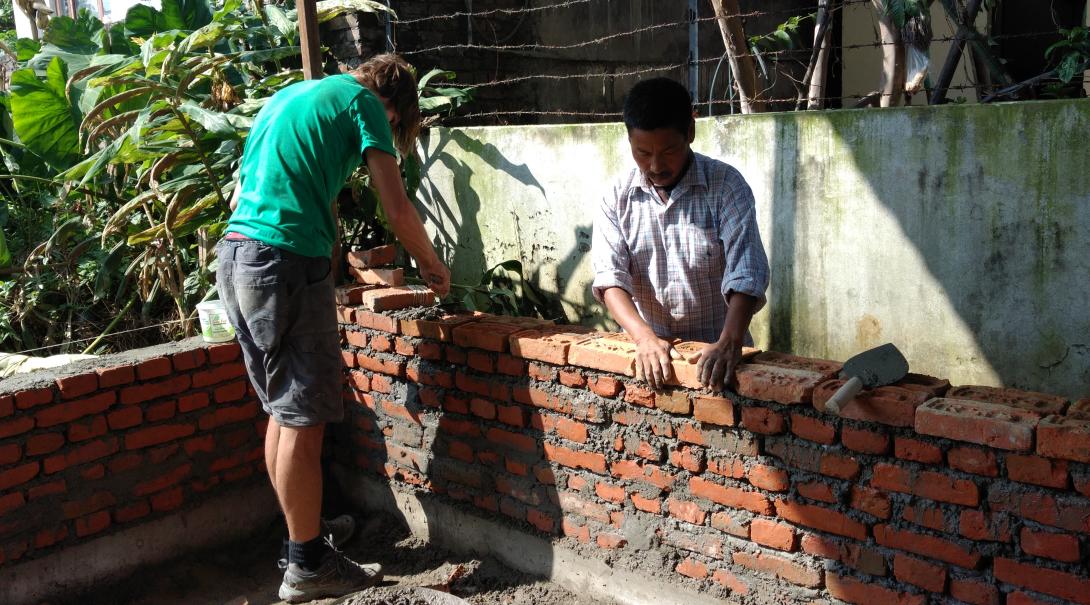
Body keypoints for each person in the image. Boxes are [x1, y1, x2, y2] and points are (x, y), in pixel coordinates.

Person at [215, 53, 451, 603]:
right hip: (285, 261)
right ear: (396, 108)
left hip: (237, 256)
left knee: (281, 408)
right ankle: (308, 567)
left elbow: (259, 185)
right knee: (304, 413)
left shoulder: (290, 98)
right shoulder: (364, 103)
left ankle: (303, 539)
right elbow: (395, 206)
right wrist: (431, 265)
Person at [592, 77, 770, 391]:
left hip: (718, 360)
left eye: (669, 151)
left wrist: (730, 341)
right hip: (649, 360)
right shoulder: (616, 196)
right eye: (642, 153)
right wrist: (644, 338)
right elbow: (610, 279)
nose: (656, 165)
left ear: (690, 131)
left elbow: (747, 272)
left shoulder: (726, 186)